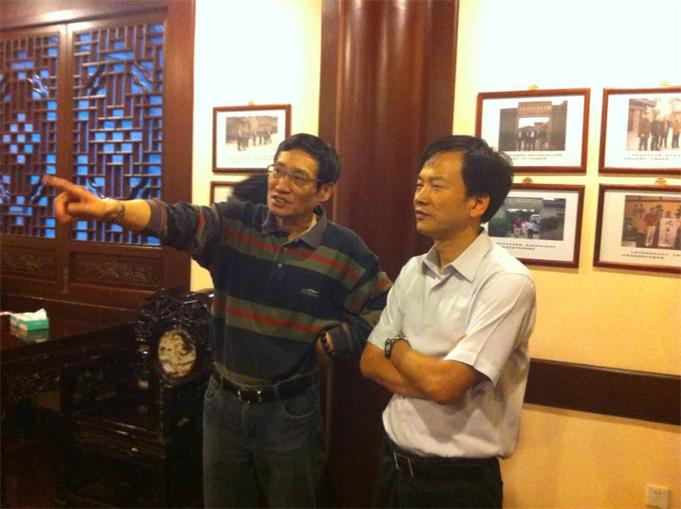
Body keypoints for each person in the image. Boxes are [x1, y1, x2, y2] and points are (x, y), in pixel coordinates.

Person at [43, 133, 391, 508]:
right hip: (223, 403)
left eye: (298, 177)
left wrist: (338, 341)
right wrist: (110, 209)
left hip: (289, 411)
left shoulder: (343, 248)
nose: (281, 184)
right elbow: (175, 220)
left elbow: (384, 304)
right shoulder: (235, 224)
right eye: (278, 170)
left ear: (325, 191)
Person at [360, 135, 536, 509]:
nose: (420, 197)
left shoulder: (506, 281)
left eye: (436, 186)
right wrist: (430, 372)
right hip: (392, 467)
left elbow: (445, 385)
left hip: (457, 486)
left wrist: (397, 346)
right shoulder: (413, 270)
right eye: (419, 184)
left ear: (478, 203)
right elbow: (370, 362)